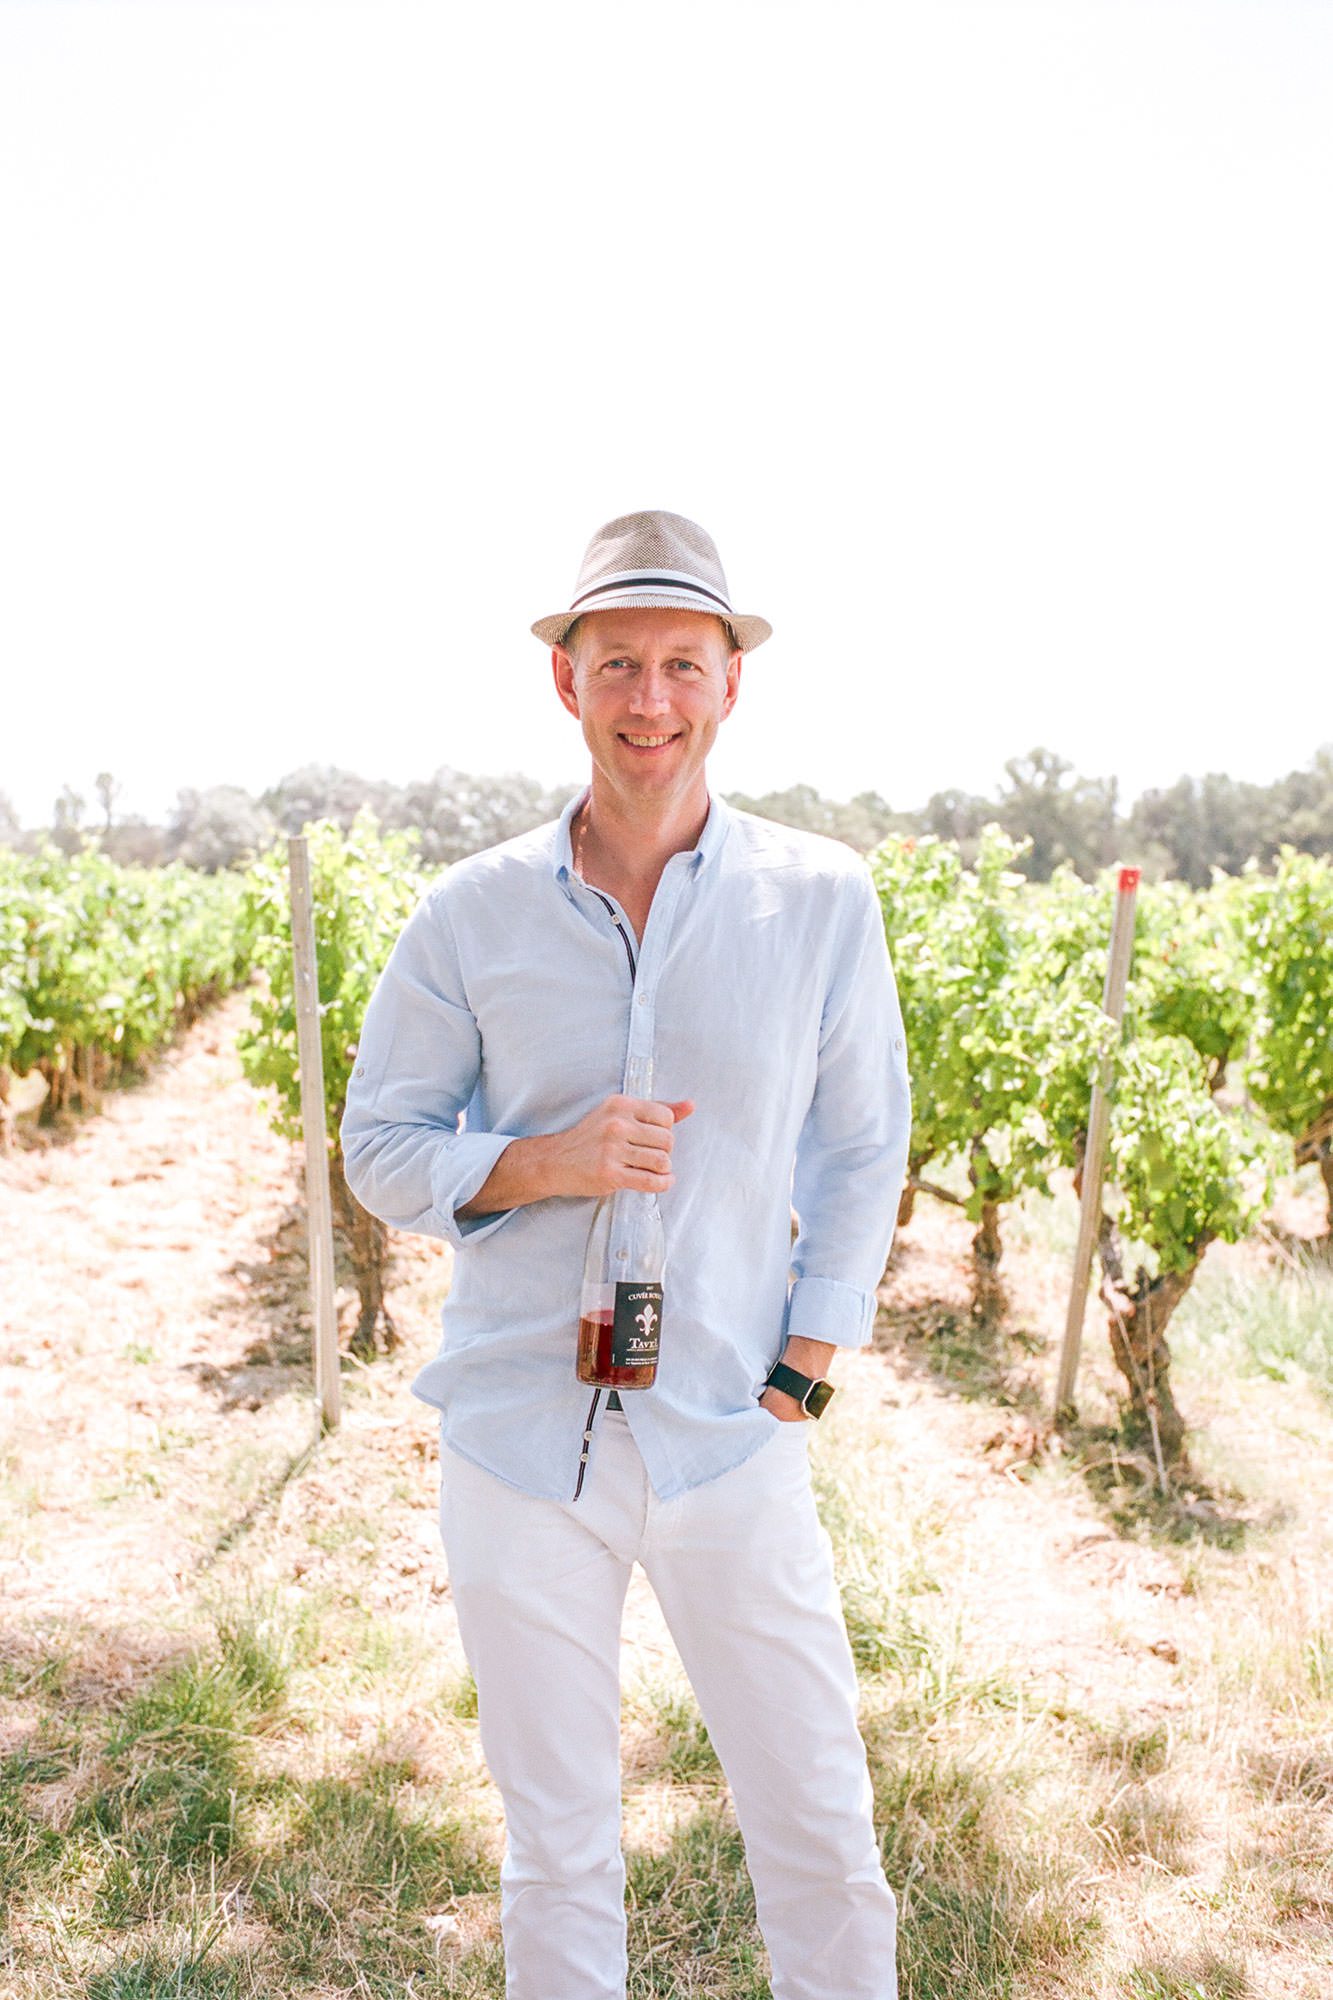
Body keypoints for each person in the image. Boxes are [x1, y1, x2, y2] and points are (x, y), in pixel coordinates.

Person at [340, 509, 912, 2000]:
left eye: (677, 664)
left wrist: (806, 1367)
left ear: (730, 685)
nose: (646, 699)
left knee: (818, 1827)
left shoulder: (822, 899)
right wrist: (544, 1161)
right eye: (615, 666)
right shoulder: (469, 913)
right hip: (523, 1437)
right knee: (557, 1848)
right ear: (565, 685)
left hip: (733, 1428)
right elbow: (378, 1145)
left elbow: (860, 1148)